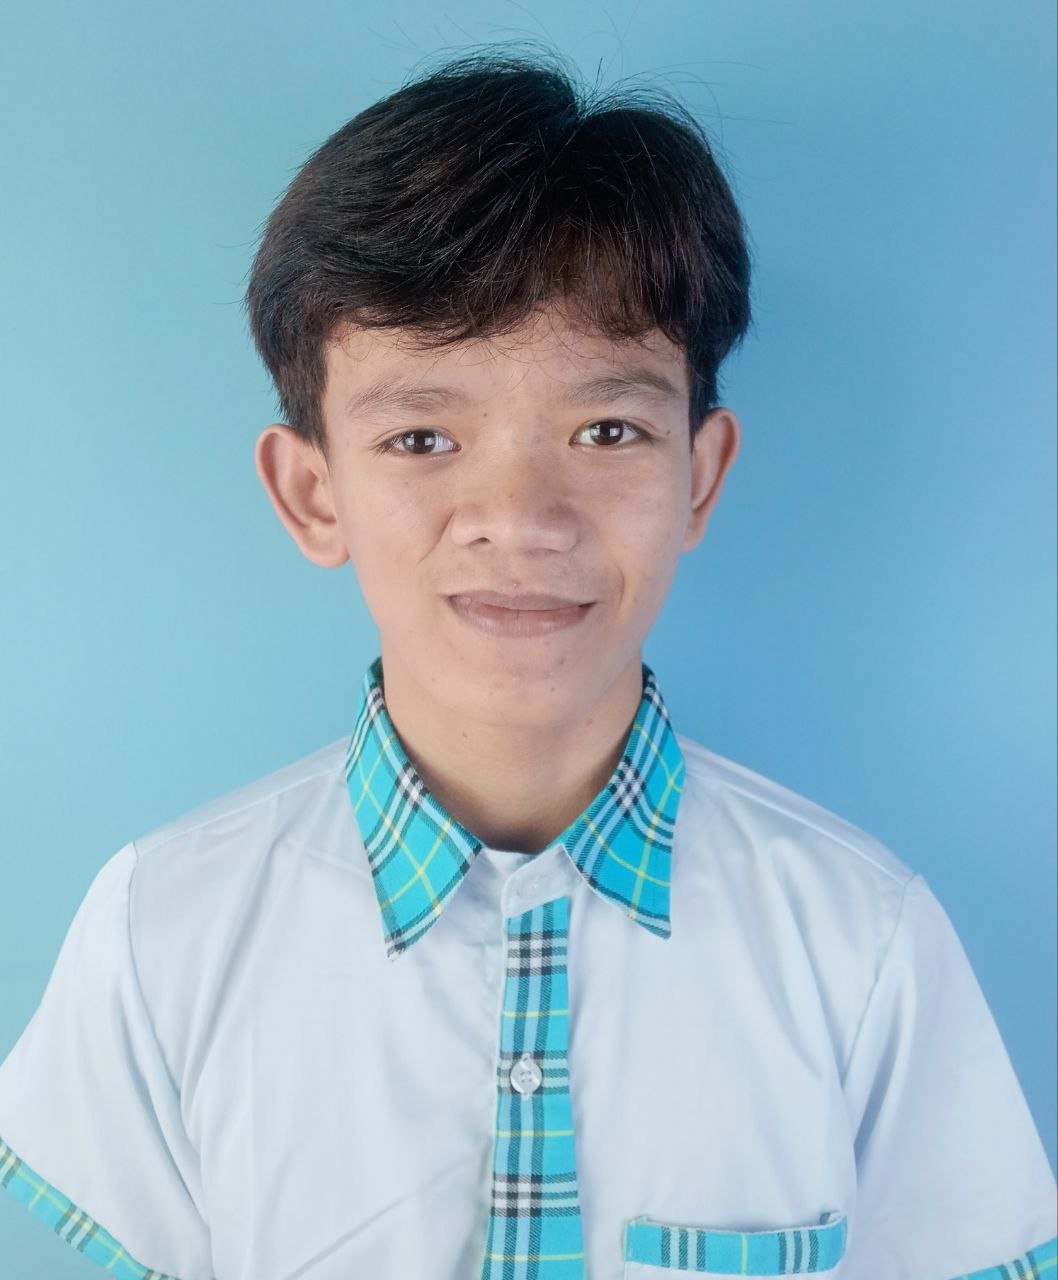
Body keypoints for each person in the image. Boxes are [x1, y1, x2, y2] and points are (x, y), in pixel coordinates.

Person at [0, 46, 1054, 1280]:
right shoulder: (161, 930)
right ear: (311, 493)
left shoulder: (862, 942)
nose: (520, 518)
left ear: (699, 474)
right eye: (421, 436)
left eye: (606, 428)